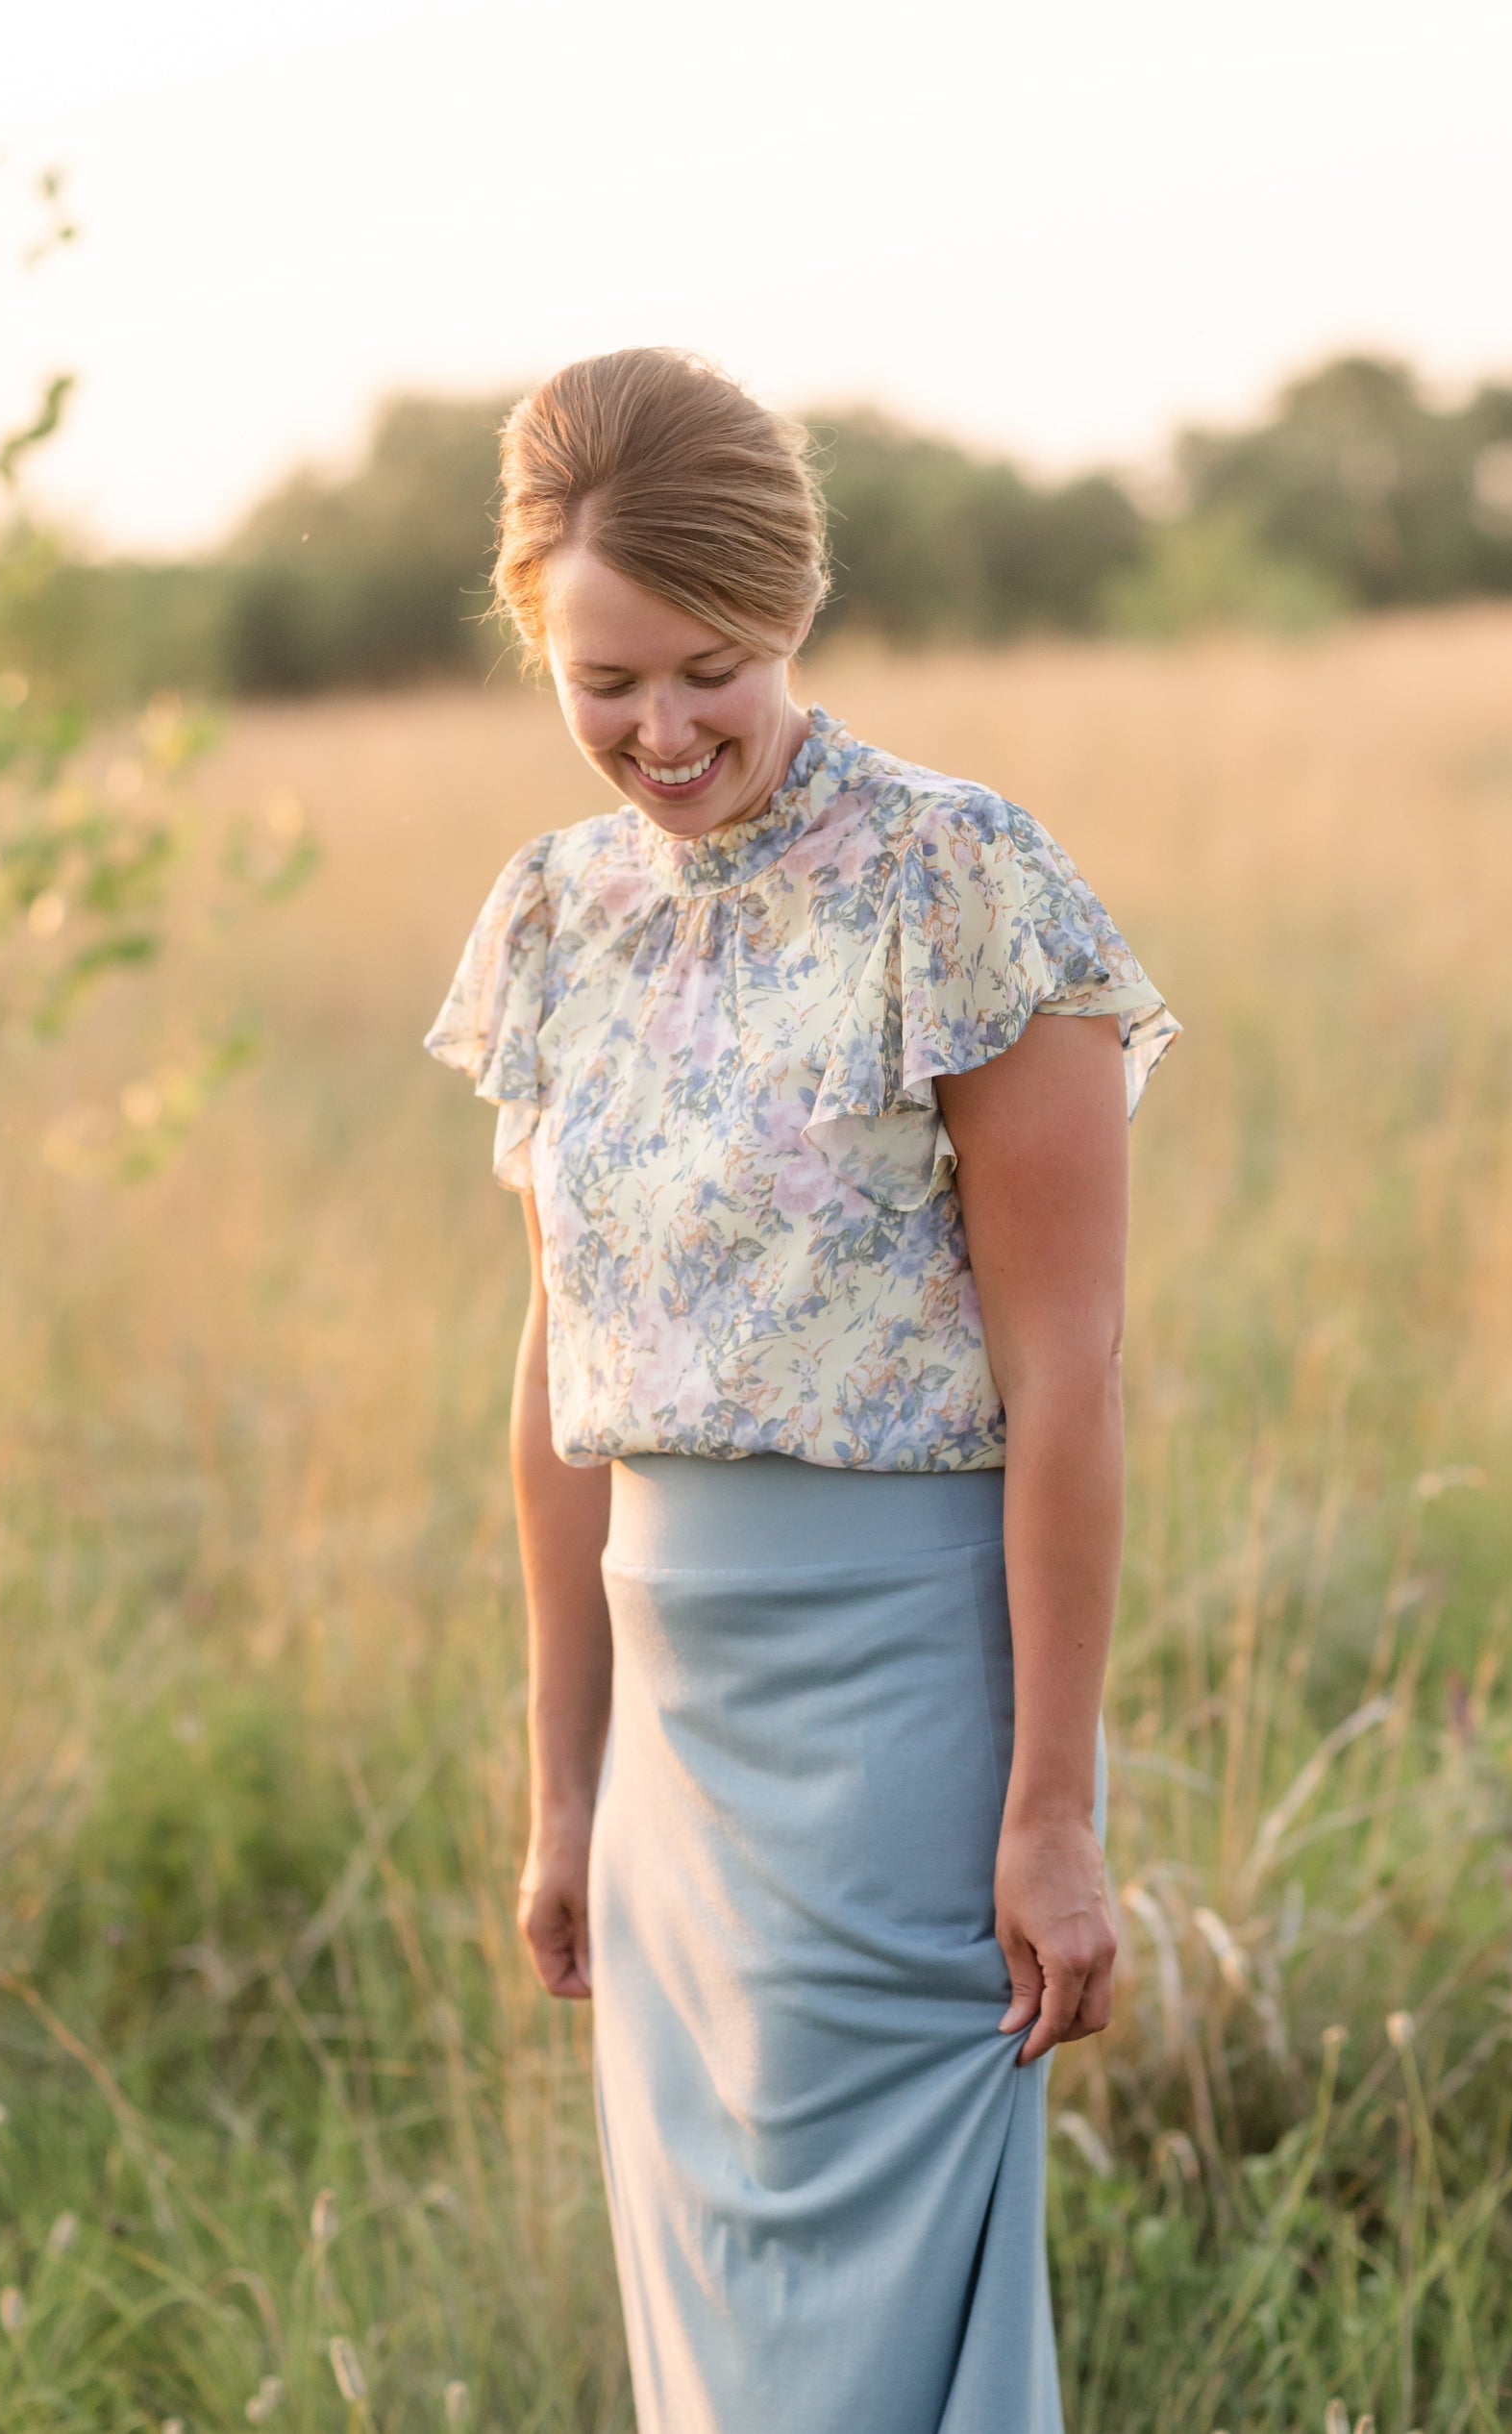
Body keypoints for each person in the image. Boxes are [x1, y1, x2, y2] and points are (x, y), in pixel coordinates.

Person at [426, 347, 1178, 2434]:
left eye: (707, 668)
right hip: (668, 1747)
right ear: (536, 646)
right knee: (720, 2354)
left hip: (906, 1731)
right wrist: (559, 1785)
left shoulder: (962, 882)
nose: (659, 732)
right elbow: (557, 1375)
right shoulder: (556, 916)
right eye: (602, 684)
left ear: (795, 613)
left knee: (868, 2358)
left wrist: (1049, 1816)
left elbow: (1069, 1374)